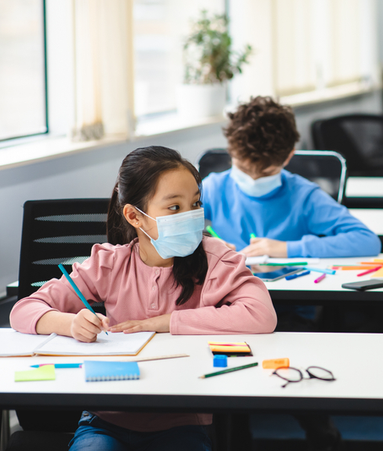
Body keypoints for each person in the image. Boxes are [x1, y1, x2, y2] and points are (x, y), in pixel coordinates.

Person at [10, 146, 277, 451]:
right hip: (106, 420)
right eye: (174, 208)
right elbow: (24, 310)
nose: (190, 216)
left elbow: (261, 315)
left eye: (195, 203)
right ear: (135, 215)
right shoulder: (109, 264)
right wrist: (71, 324)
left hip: (181, 422)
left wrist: (167, 322)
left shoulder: (217, 258)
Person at [202, 96, 381, 258]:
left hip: (287, 290)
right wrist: (205, 246)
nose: (253, 178)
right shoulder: (213, 188)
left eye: (265, 172)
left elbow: (367, 241)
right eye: (243, 168)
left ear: (288, 156)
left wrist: (287, 249)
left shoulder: (304, 196)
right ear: (230, 152)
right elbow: (174, 229)